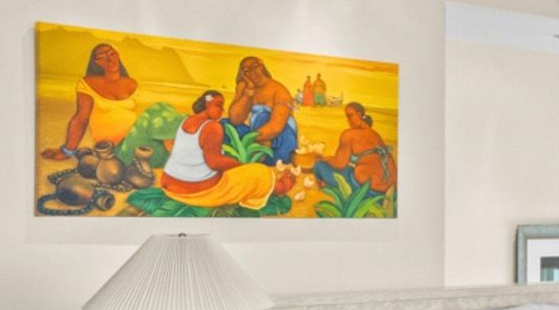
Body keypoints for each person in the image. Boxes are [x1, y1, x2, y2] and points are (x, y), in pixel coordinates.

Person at [156, 90, 287, 211]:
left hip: (168, 186)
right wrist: (239, 166)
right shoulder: (212, 126)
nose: (222, 110)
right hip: (197, 192)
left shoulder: (186, 120)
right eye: (218, 105)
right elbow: (214, 162)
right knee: (261, 172)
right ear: (207, 103)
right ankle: (279, 188)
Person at [43, 42, 140, 158]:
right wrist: (67, 151)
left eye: (111, 54)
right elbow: (81, 118)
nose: (109, 60)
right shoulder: (88, 83)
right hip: (108, 147)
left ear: (117, 55)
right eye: (101, 58)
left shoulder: (132, 83)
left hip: (138, 141)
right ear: (96, 63)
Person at [313, 101, 396, 198]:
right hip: (389, 190)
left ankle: (330, 187)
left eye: (350, 116)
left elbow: (340, 164)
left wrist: (326, 159)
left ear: (359, 115)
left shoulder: (348, 135)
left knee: (319, 166)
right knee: (350, 168)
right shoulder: (375, 134)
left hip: (366, 189)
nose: (348, 120)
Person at [229, 56, 299, 164]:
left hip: (280, 139)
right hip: (256, 136)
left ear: (261, 66)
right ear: (243, 74)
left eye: (255, 67)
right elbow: (235, 119)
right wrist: (248, 93)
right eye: (247, 71)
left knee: (263, 117)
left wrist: (248, 140)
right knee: (226, 125)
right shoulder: (244, 86)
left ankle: (257, 158)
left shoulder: (279, 90)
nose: (252, 73)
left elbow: (276, 127)